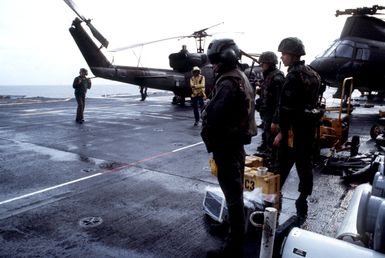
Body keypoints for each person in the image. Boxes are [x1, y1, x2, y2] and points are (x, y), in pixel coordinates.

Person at [201, 38, 257, 258]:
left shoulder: (227, 82)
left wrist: (207, 112)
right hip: (236, 143)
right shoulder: (241, 77)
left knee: (233, 195)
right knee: (234, 192)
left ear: (226, 59)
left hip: (226, 144)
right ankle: (233, 230)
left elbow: (213, 113)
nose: (214, 67)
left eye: (216, 62)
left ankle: (234, 247)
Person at [272, 37, 321, 222]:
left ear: (292, 55)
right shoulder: (313, 73)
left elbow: (286, 108)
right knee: (305, 166)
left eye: (284, 54)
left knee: (281, 165)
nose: (282, 57)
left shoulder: (293, 76)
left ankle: (274, 199)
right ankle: (302, 200)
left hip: (293, 132)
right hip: (308, 131)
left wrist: (281, 132)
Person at [257, 51, 285, 166]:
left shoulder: (277, 78)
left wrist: (275, 121)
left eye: (263, 64)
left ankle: (275, 164)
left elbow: (280, 101)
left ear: (269, 64)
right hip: (267, 116)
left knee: (274, 143)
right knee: (268, 140)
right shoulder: (269, 76)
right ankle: (270, 159)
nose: (261, 66)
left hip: (273, 117)